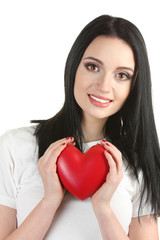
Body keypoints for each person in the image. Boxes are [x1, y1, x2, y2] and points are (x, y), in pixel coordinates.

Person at [0, 15, 160, 240]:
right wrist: (50, 200)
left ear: (134, 86)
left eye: (121, 75)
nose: (104, 86)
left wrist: (103, 208)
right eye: (93, 66)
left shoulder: (139, 162)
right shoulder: (14, 147)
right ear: (74, 66)